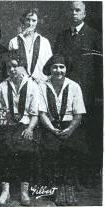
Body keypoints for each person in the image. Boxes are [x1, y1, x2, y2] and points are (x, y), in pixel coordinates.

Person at [53, 1, 102, 184]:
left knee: (88, 133)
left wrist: (99, 94)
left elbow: (100, 69)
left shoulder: (95, 36)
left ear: (84, 13)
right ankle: (69, 178)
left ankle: (88, 176)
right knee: (69, 133)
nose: (74, 13)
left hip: (88, 95)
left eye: (77, 10)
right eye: (71, 10)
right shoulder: (62, 36)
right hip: (66, 94)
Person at [39, 54, 86, 206]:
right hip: (50, 126)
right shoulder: (42, 86)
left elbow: (78, 114)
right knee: (52, 151)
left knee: (71, 149)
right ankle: (58, 187)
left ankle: (69, 186)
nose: (58, 70)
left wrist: (70, 129)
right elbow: (42, 113)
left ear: (66, 69)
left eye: (61, 67)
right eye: (55, 67)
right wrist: (52, 130)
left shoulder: (74, 86)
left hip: (70, 126)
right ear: (49, 69)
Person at [0, 53, 40, 206]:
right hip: (8, 125)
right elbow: (0, 112)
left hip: (26, 124)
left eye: (15, 66)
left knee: (25, 149)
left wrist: (30, 128)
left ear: (22, 67)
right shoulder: (2, 87)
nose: (12, 69)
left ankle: (24, 191)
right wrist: (4, 126)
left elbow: (35, 114)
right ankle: (5, 191)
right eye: (9, 67)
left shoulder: (33, 86)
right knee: (4, 147)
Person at [9, 8, 52, 82]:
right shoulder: (14, 41)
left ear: (38, 21)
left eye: (34, 20)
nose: (30, 23)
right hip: (21, 83)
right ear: (23, 20)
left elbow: (49, 65)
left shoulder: (44, 42)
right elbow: (11, 66)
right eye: (28, 20)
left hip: (41, 83)